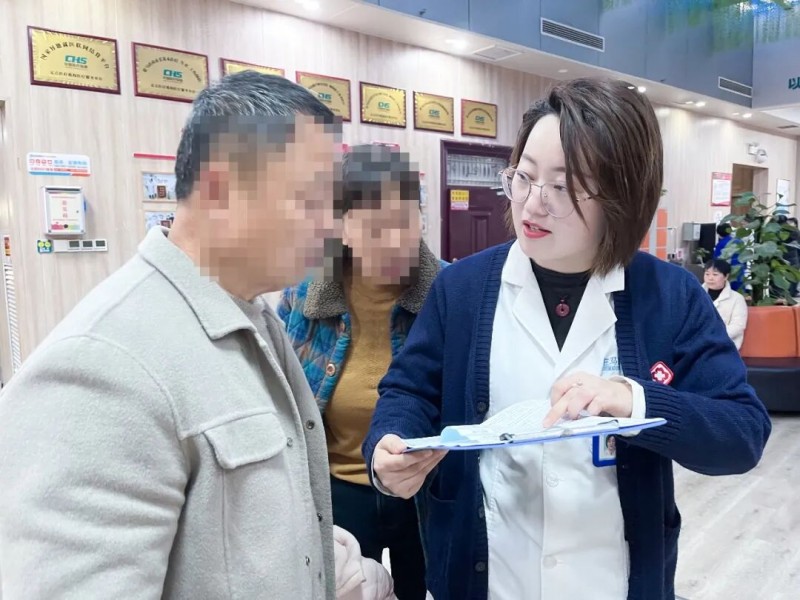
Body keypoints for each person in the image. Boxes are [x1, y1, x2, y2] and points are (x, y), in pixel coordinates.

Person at [362, 78, 771, 600]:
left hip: (613, 582)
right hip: (488, 578)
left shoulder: (670, 296)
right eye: (524, 177)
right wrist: (389, 445)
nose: (532, 205)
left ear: (621, 198)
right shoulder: (462, 287)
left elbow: (742, 434)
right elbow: (408, 390)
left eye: (563, 187)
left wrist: (635, 401)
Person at [0, 71, 343, 599]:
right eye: (310, 199)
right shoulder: (103, 365)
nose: (330, 226)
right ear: (220, 191)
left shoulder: (254, 317)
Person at [278, 144, 445, 600]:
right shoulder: (304, 294)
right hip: (338, 489)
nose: (394, 241)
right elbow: (279, 393)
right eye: (375, 228)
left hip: (422, 486)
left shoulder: (447, 292)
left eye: (405, 221)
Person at [703, 258, 749, 349]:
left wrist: (713, 337)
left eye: (715, 274)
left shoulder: (737, 299)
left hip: (724, 346)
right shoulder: (695, 295)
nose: (710, 278)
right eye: (707, 274)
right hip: (696, 345)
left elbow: (738, 326)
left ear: (726, 276)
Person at [714, 222, 743, 291]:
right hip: (741, 272)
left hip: (728, 273)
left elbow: (717, 261)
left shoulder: (720, 245)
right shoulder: (739, 241)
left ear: (718, 233)